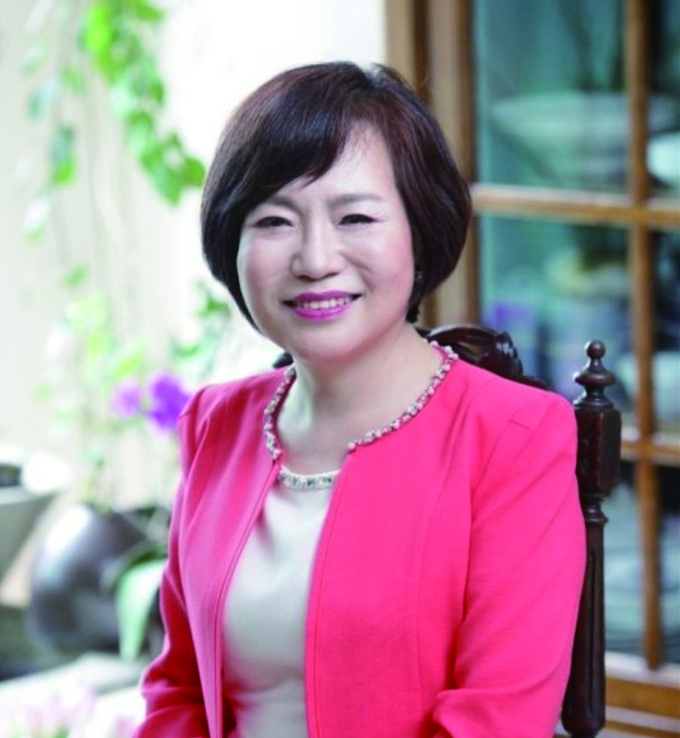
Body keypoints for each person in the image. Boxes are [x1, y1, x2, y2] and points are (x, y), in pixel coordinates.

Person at [134, 62, 585, 738]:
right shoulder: (215, 424)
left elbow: (498, 719)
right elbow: (179, 692)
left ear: (419, 231)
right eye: (274, 220)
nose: (316, 259)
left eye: (355, 217)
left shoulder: (514, 435)